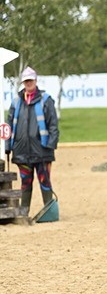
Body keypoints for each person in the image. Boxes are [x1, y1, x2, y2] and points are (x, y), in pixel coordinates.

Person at [4, 66, 59, 214]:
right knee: (25, 183)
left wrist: (51, 145)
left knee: (44, 181)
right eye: (26, 81)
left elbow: (53, 124)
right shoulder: (16, 102)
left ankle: (49, 211)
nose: (28, 83)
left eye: (30, 80)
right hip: (21, 151)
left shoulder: (46, 100)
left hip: (42, 150)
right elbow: (8, 126)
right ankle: (23, 212)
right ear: (23, 83)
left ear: (36, 80)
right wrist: (7, 146)